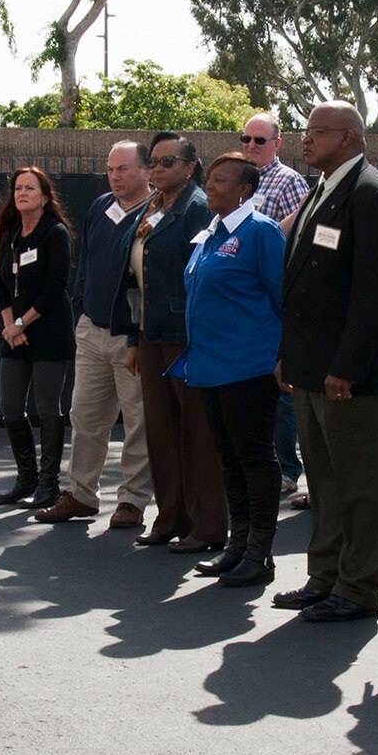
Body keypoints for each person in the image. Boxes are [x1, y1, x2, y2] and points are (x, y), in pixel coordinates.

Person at [271, 100, 378, 623]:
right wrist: (289, 355)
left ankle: (357, 587)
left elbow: (375, 297)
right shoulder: (318, 192)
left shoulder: (375, 196)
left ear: (348, 138)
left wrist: (346, 367)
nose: (305, 140)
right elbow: (299, 283)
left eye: (316, 132)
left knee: (358, 487)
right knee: (324, 484)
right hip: (309, 368)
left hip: (347, 376)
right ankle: (324, 576)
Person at [34, 141, 156, 530]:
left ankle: (133, 500)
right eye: (110, 169)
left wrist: (137, 332)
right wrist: (82, 307)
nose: (115, 176)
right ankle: (81, 494)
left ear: (145, 170)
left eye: (123, 168)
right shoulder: (100, 206)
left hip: (132, 338)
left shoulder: (158, 213)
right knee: (85, 416)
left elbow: (147, 280)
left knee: (138, 421)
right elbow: (84, 259)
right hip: (91, 331)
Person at [181, 154, 287, 588]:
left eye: (221, 180)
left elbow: (282, 297)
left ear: (245, 188)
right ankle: (237, 543)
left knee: (255, 455)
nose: (212, 185)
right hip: (209, 366)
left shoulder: (260, 232)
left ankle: (260, 553)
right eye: (210, 178)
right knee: (229, 456)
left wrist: (283, 357)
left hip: (249, 367)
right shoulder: (209, 235)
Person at [127, 133, 225, 554]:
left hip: (186, 334)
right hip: (151, 332)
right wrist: (135, 336)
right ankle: (170, 518)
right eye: (153, 161)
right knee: (161, 431)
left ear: (190, 165)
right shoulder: (152, 205)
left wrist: (198, 334)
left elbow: (206, 272)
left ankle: (207, 527)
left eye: (169, 161)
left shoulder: (197, 206)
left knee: (197, 432)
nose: (158, 168)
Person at [0, 166, 75, 507]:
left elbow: (56, 287)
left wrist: (23, 323)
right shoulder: (8, 233)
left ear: (44, 195)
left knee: (47, 406)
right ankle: (25, 479)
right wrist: (11, 326)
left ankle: (48, 483)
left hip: (48, 331)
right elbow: (1, 285)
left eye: (29, 188)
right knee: (10, 405)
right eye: (17, 189)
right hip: (15, 334)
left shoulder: (55, 233)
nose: (22, 193)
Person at [239, 113, 312, 498]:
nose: (251, 146)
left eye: (260, 140)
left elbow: (300, 232)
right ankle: (259, 463)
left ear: (278, 144)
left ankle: (287, 468)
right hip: (242, 301)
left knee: (280, 385)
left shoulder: (289, 181)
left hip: (274, 294)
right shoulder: (238, 179)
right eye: (246, 138)